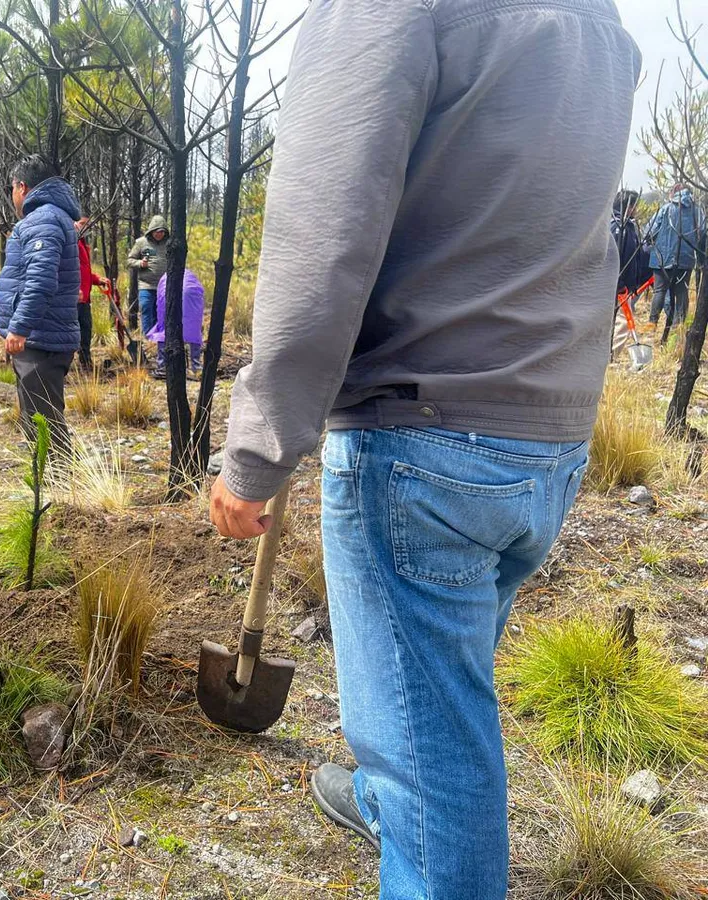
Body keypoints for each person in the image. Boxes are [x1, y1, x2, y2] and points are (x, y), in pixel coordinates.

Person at [210, 3, 639, 899]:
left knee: (435, 769)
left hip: (423, 438)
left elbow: (325, 226)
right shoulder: (597, 22)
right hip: (548, 437)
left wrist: (258, 446)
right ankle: (384, 790)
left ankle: (407, 803)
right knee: (443, 688)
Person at [0, 154, 81, 460]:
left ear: (22, 186)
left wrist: (19, 326)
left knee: (43, 421)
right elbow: (35, 275)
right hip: (44, 335)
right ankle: (48, 486)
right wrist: (6, 297)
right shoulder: (53, 217)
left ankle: (54, 492)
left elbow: (43, 279)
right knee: (40, 415)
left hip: (41, 339)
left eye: (12, 189)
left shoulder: (42, 218)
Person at [644, 184, 706, 339]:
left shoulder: (665, 209)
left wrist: (648, 247)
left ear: (673, 193)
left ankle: (652, 323)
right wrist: (700, 259)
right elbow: (703, 233)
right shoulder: (697, 211)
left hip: (662, 259)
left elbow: (650, 231)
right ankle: (679, 327)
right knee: (682, 292)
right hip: (686, 260)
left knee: (659, 290)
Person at [611, 189, 651, 359]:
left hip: (623, 285)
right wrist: (621, 285)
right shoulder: (619, 228)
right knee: (622, 323)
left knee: (616, 321)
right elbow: (617, 258)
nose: (635, 209)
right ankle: (610, 356)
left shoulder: (628, 226)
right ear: (627, 206)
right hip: (618, 285)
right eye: (634, 206)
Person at [147, 268, 204, 379]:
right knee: (193, 330)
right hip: (192, 297)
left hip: (169, 296)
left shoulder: (165, 278)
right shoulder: (191, 279)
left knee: (164, 329)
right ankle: (196, 367)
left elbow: (159, 304)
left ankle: (163, 366)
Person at [75, 216, 110, 371]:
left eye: (87, 226)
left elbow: (85, 272)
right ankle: (67, 365)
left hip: (85, 298)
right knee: (74, 330)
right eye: (82, 224)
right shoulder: (70, 243)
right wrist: (73, 289)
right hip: (74, 297)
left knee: (86, 329)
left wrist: (97, 279)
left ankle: (85, 361)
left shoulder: (82, 244)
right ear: (74, 224)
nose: (85, 228)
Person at [127, 216, 169, 337]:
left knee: (160, 313)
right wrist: (140, 263)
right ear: (151, 231)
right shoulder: (141, 242)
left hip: (164, 286)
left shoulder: (170, 243)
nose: (159, 234)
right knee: (146, 308)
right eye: (156, 231)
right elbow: (129, 260)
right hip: (146, 285)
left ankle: (159, 338)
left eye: (162, 232)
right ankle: (148, 337)